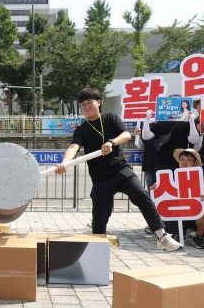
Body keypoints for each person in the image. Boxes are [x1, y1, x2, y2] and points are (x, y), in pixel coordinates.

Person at [54, 88, 182, 251]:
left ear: (98, 103)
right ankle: (97, 248)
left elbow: (126, 135)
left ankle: (162, 237)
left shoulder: (111, 118)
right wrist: (64, 163)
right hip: (101, 178)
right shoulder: (82, 129)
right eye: (83, 105)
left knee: (142, 196)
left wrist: (111, 142)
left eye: (90, 103)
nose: (86, 107)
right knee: (100, 217)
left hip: (121, 170)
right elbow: (74, 146)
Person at [153, 148, 204, 249]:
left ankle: (198, 237)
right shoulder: (170, 175)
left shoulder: (200, 177)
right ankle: (176, 234)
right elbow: (159, 196)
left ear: (195, 163)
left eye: (189, 160)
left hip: (194, 210)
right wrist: (156, 188)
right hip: (176, 211)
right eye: (182, 159)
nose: (184, 162)